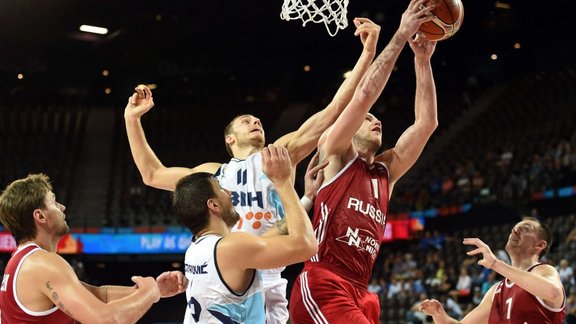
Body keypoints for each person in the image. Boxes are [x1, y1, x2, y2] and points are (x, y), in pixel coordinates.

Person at [124, 17, 380, 324]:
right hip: (226, 268)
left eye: (257, 120)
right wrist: (133, 120)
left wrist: (365, 57)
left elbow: (331, 114)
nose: (255, 121)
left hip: (268, 271)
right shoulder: (211, 175)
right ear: (230, 139)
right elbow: (151, 174)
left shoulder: (278, 155)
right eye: (246, 120)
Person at [288, 0, 440, 321]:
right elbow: (364, 95)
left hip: (362, 290)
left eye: (376, 119)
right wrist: (400, 35)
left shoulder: (386, 171)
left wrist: (422, 61)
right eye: (368, 118)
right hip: (325, 279)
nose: (376, 121)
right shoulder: (335, 149)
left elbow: (426, 124)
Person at [0, 174, 187, 323]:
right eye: (54, 202)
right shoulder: (43, 264)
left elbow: (99, 295)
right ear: (40, 216)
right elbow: (106, 320)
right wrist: (148, 294)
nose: (62, 207)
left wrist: (155, 289)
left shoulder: (25, 261)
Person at [173, 145, 317, 323]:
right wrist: (283, 182)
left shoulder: (196, 249)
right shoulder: (231, 248)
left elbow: (273, 234)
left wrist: (308, 197)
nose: (230, 192)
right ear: (214, 205)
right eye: (222, 189)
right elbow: (307, 245)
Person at [419, 217, 566, 323]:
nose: (515, 231)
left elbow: (553, 293)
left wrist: (496, 264)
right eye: (514, 228)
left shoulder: (545, 271)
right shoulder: (496, 291)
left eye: (525, 229)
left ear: (540, 245)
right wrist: (440, 316)